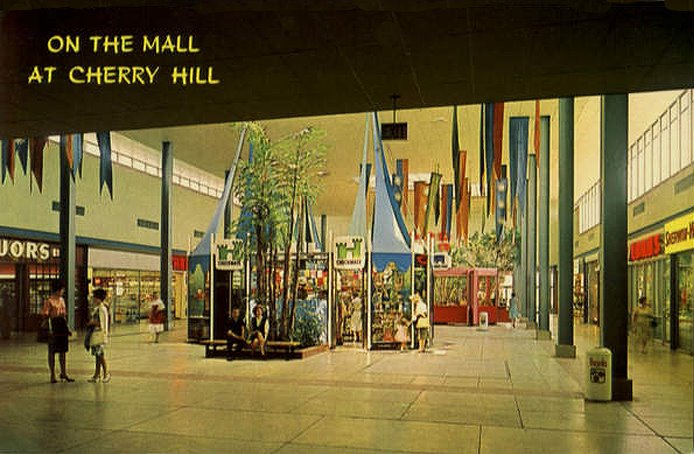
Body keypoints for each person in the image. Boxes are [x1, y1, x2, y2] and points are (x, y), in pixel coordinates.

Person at [41, 279, 74, 383]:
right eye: (62, 289)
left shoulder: (62, 300)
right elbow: (45, 315)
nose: (63, 291)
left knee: (63, 351)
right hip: (53, 325)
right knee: (52, 351)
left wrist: (67, 328)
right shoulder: (49, 301)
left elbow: (64, 315)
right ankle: (52, 374)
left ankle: (63, 372)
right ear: (57, 290)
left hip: (61, 325)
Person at [88, 288, 111, 383]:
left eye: (94, 297)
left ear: (99, 298)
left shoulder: (102, 309)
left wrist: (93, 323)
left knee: (100, 355)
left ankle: (106, 373)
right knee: (97, 356)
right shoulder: (97, 308)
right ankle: (97, 374)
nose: (93, 299)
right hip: (96, 334)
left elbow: (102, 323)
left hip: (99, 335)